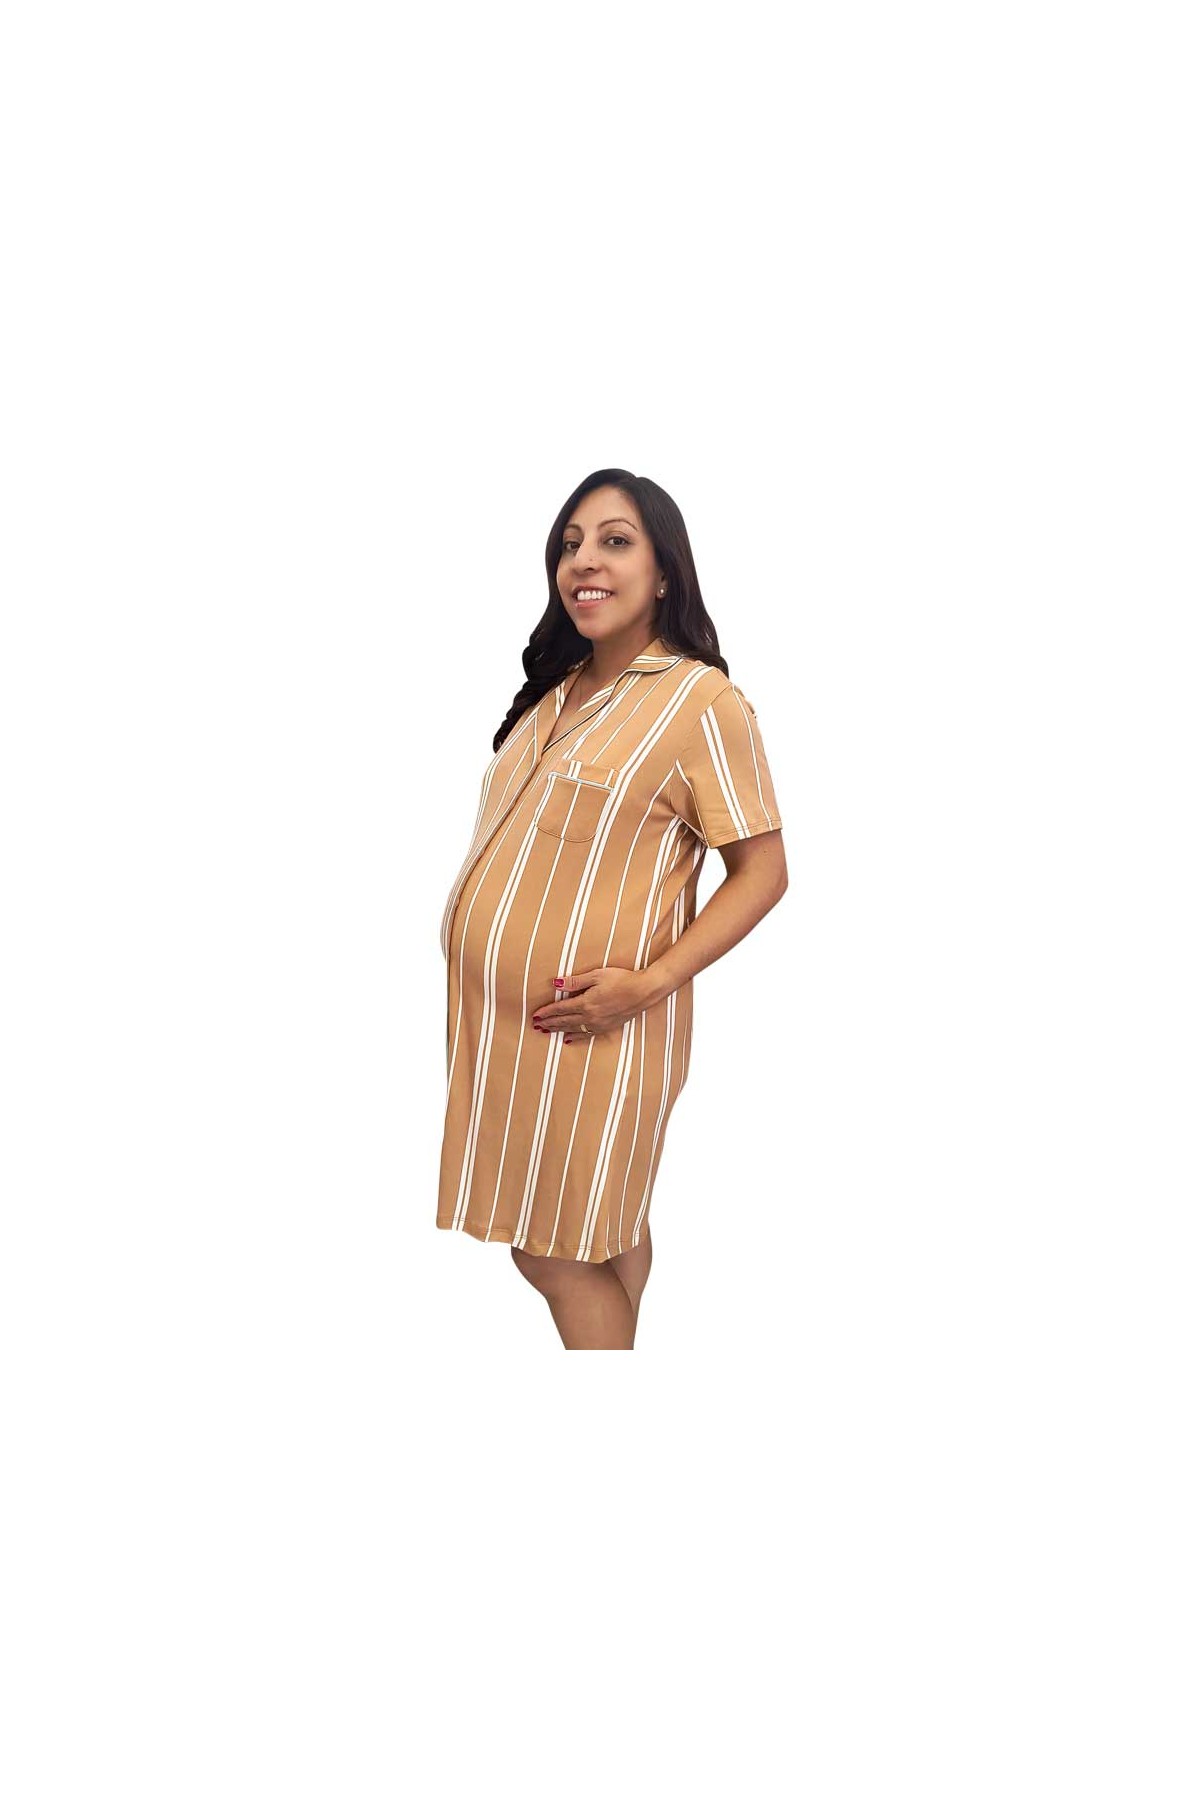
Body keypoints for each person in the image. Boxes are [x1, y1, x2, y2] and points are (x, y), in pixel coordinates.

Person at [437, 469, 788, 1349]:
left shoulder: (700, 702)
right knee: (607, 1229)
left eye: (615, 541)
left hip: (600, 1030)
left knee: (555, 1253)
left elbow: (763, 870)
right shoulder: (556, 691)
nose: (583, 561)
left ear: (665, 571)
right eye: (570, 544)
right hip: (505, 1035)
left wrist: (649, 983)